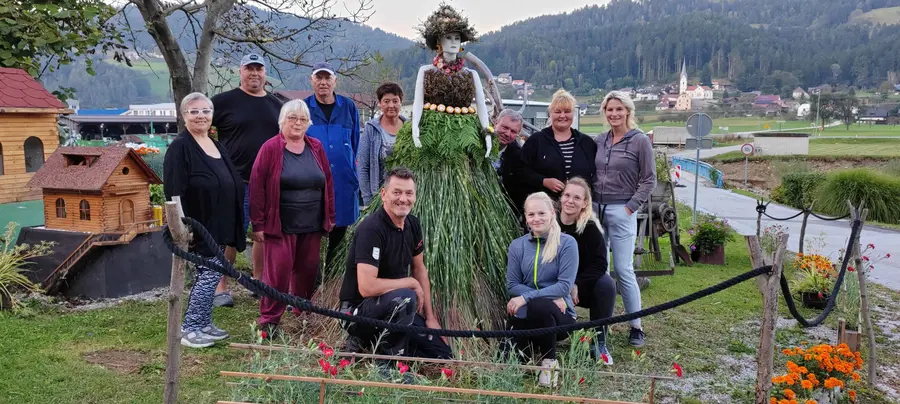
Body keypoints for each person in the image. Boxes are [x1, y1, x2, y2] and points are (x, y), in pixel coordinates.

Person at [324, 5, 520, 334]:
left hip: (465, 144)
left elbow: (484, 114)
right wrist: (414, 136)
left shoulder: (470, 75)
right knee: (414, 196)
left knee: (472, 210)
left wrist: (486, 139)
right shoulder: (426, 72)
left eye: (458, 38)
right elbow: (414, 110)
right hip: (428, 144)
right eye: (447, 38)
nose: (453, 43)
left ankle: (468, 310)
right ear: (437, 43)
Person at [338, 167, 452, 370]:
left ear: (415, 196)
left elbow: (419, 269)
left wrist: (431, 318)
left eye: (409, 193)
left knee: (442, 354)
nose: (403, 199)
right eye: (396, 192)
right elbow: (367, 287)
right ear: (384, 194)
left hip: (397, 307)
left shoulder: (413, 224)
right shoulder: (371, 229)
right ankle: (387, 365)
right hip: (357, 312)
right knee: (406, 296)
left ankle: (374, 344)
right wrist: (410, 282)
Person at [163, 92, 245, 348]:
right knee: (208, 275)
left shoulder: (215, 143)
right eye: (194, 111)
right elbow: (174, 190)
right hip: (199, 225)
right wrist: (184, 225)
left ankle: (204, 323)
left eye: (205, 111)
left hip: (220, 222)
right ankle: (190, 328)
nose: (201, 116)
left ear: (212, 116)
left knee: (212, 273)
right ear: (184, 115)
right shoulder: (180, 147)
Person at [249, 99, 335, 336]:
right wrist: (258, 223)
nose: (298, 123)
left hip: (312, 224)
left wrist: (329, 216)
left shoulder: (316, 147)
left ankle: (301, 314)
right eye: (292, 118)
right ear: (282, 121)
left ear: (308, 123)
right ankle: (269, 321)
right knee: (278, 273)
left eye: (302, 119)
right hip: (280, 225)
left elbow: (327, 183)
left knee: (307, 271)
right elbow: (256, 187)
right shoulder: (270, 148)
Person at [210, 53, 284, 307]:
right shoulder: (223, 102)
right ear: (240, 72)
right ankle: (221, 286)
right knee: (232, 232)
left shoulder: (277, 106)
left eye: (258, 69)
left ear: (265, 73)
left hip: (268, 182)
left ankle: (258, 281)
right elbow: (199, 127)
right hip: (234, 179)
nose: (254, 73)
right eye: (249, 69)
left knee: (263, 234)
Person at [592, 91, 656, 348]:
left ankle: (636, 326)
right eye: (609, 110)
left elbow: (649, 179)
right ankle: (599, 326)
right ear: (604, 112)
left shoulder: (640, 141)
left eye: (619, 109)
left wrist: (630, 208)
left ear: (628, 111)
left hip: (622, 210)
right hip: (596, 211)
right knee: (599, 270)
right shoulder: (600, 140)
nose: (614, 114)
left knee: (623, 269)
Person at [505, 191, 578, 387]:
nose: (536, 219)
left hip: (560, 318)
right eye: (531, 214)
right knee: (511, 360)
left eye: (541, 213)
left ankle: (549, 363)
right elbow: (512, 285)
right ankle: (525, 355)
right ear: (526, 218)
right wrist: (542, 296)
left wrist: (528, 297)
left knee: (540, 306)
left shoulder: (567, 243)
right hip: (527, 313)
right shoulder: (517, 246)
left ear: (552, 213)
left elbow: (564, 285)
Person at [304, 62, 361, 269]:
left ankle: (333, 284)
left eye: (327, 78)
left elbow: (355, 143)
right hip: (313, 185)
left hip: (343, 184)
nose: (323, 82)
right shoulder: (304, 108)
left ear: (335, 81)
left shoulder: (348, 107)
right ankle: (312, 284)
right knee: (313, 237)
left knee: (339, 237)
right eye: (318, 78)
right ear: (311, 81)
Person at [559, 177, 616, 365]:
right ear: (561, 197)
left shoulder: (590, 229)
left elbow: (600, 264)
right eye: (567, 195)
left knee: (606, 284)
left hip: (581, 286)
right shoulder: (549, 224)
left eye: (576, 198)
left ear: (584, 203)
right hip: (553, 285)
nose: (570, 201)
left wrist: (576, 283)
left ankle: (599, 342)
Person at [520, 89, 597, 201]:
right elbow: (521, 171)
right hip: (546, 207)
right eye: (557, 111)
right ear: (551, 114)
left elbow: (594, 175)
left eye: (567, 111)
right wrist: (543, 181)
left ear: (573, 113)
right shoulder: (536, 141)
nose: (562, 116)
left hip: (579, 208)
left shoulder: (587, 143)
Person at [358, 82, 406, 206]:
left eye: (395, 101)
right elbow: (363, 167)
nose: (391, 105)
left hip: (405, 196)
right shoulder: (371, 128)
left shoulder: (410, 128)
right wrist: (368, 199)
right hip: (379, 197)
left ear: (401, 102)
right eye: (386, 101)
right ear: (380, 103)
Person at [494, 108, 526, 217]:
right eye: (505, 127)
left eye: (513, 131)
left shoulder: (519, 156)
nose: (507, 134)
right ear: (496, 122)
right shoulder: (475, 142)